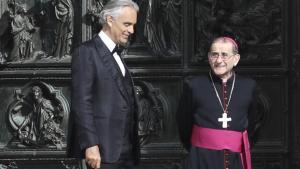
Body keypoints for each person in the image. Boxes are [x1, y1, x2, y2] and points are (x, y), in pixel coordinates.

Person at [68, 1, 140, 169]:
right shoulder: (86, 52)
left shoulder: (117, 53)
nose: (132, 31)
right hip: (102, 152)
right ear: (109, 20)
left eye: (133, 25)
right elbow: (81, 103)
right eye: (127, 24)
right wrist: (90, 145)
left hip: (126, 150)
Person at [177, 37, 262, 169]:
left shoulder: (249, 86)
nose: (218, 60)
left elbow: (252, 123)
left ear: (236, 59)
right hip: (201, 158)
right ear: (208, 57)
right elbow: (184, 123)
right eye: (214, 55)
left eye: (225, 55)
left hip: (236, 159)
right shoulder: (194, 85)